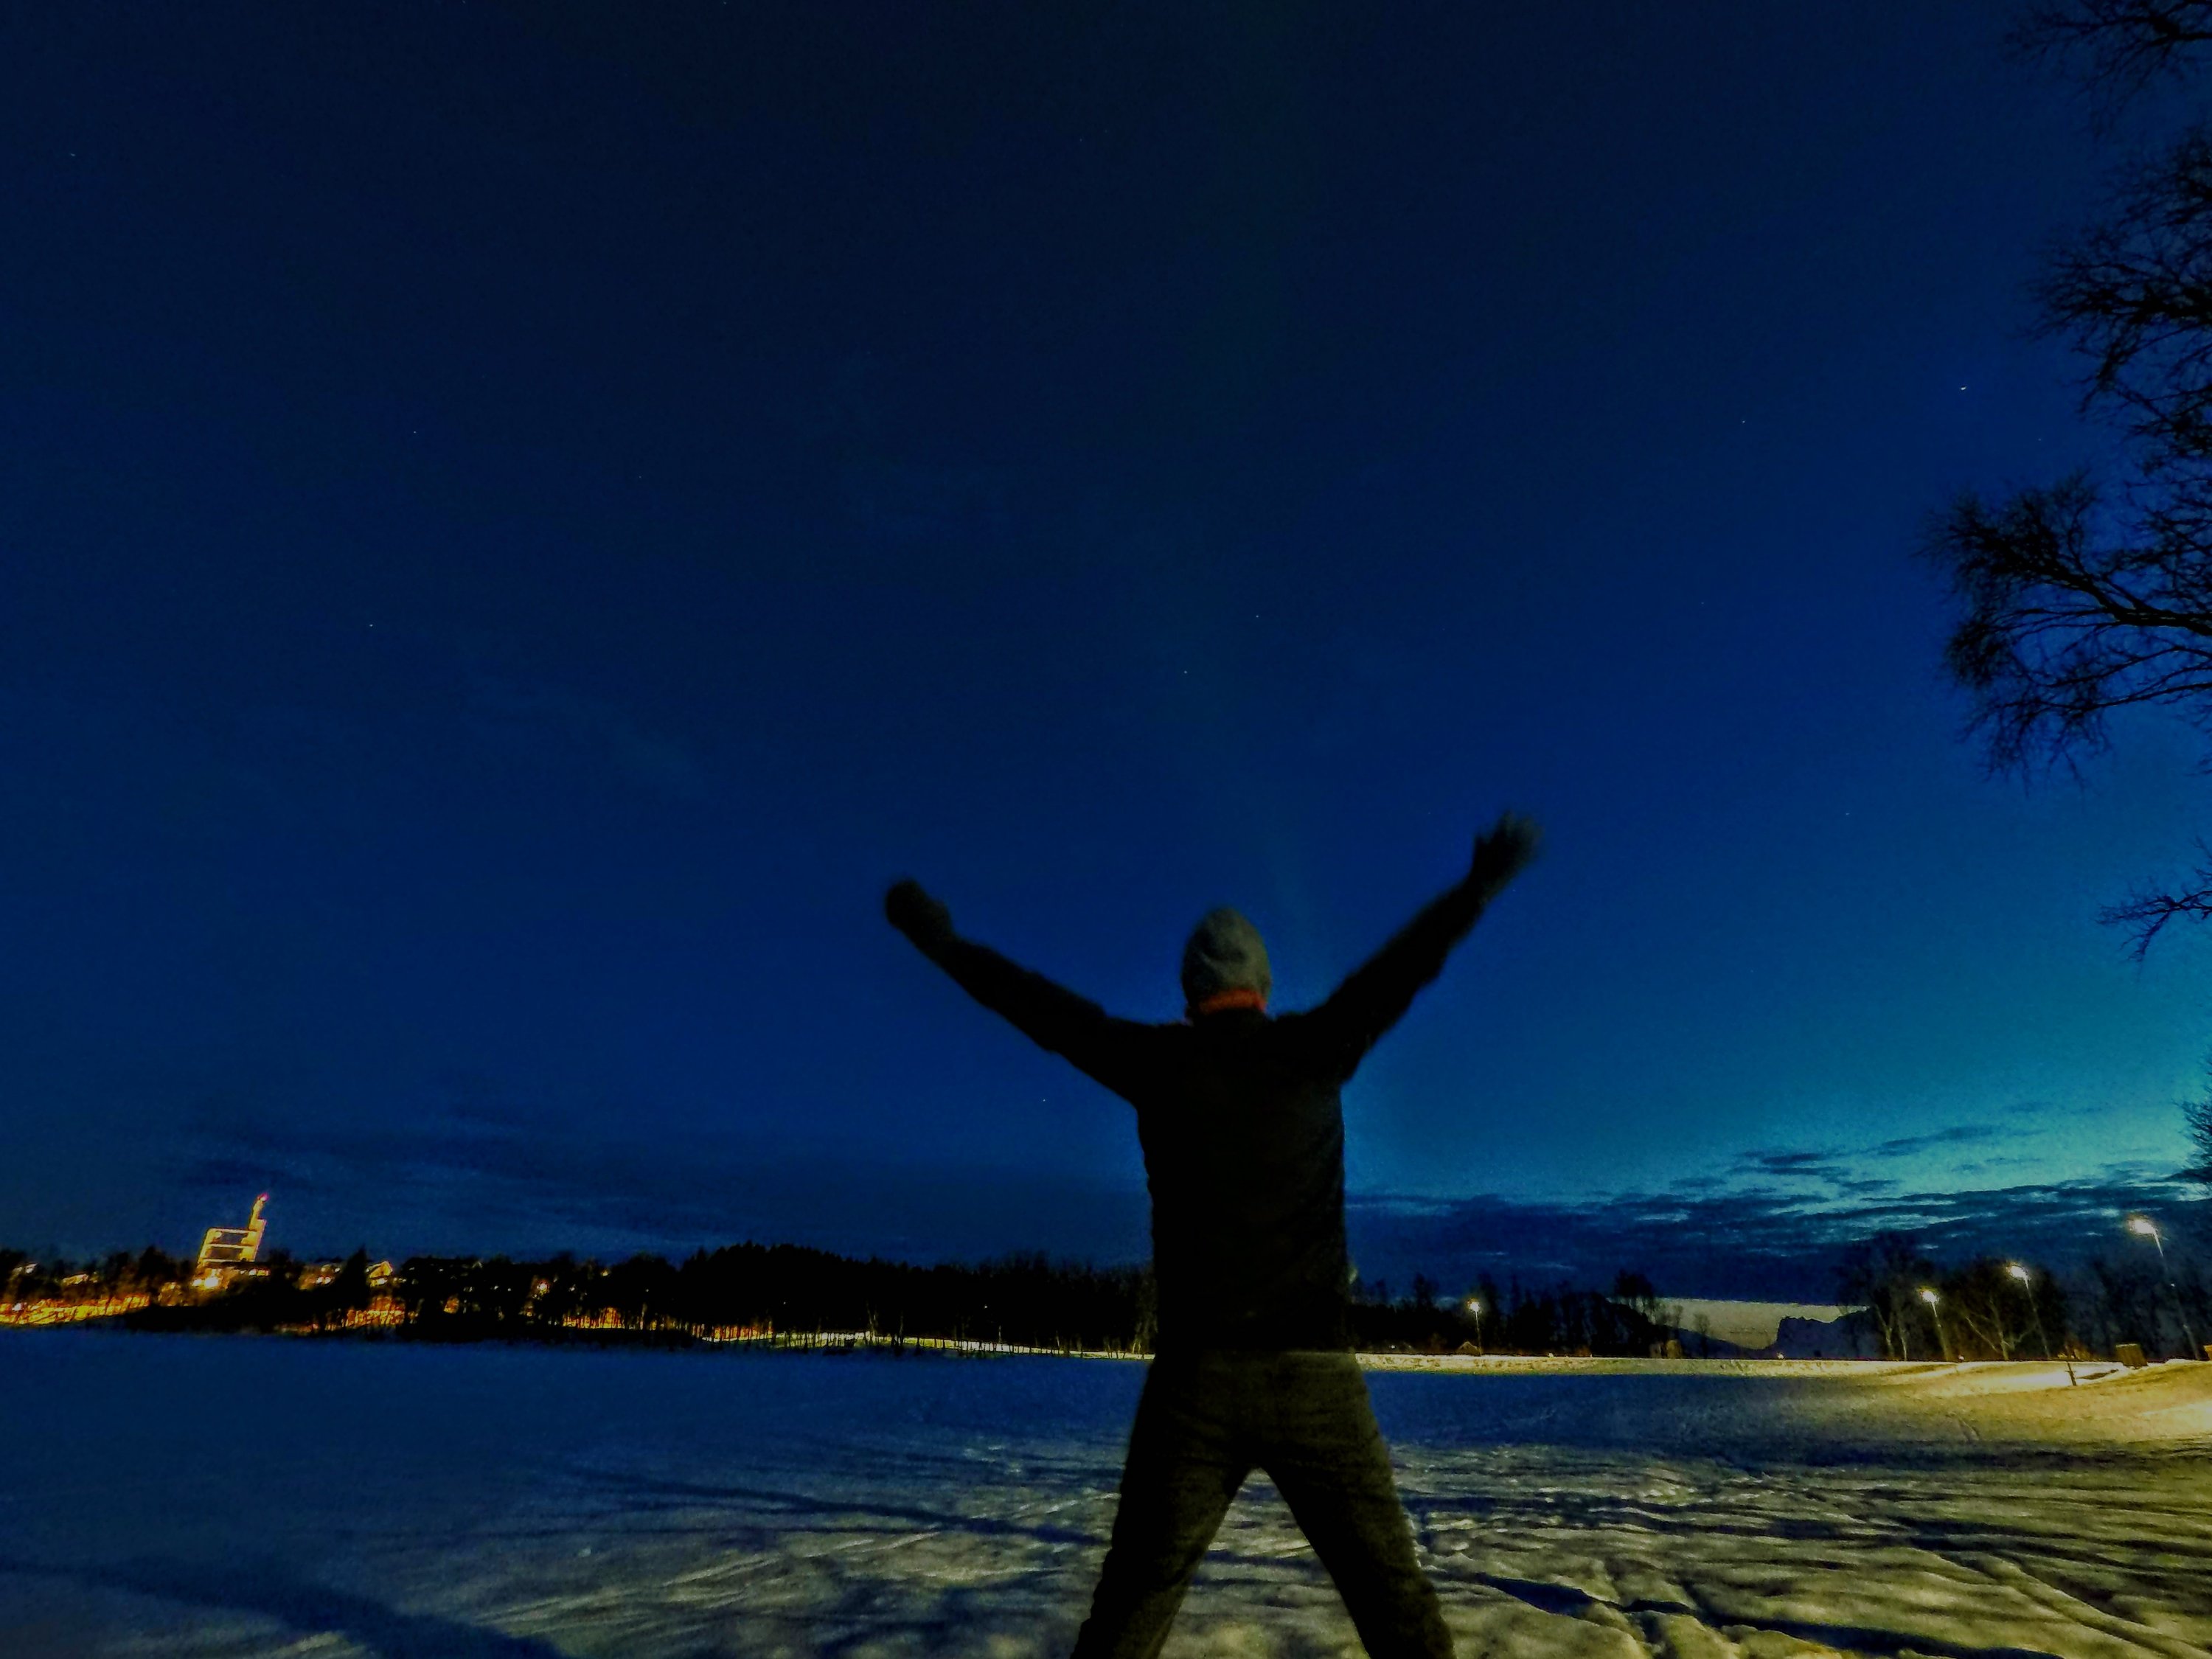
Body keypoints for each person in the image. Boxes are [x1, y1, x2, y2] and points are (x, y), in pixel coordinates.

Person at [884, 812, 1541, 1659]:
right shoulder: (1314, 1047)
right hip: (1315, 1382)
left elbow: (1041, 1010)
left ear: (1191, 993)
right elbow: (1404, 967)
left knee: (1129, 1613)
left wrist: (941, 942)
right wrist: (1476, 887)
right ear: (1262, 986)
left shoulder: (1160, 1063)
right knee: (1397, 1608)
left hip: (1194, 1386)